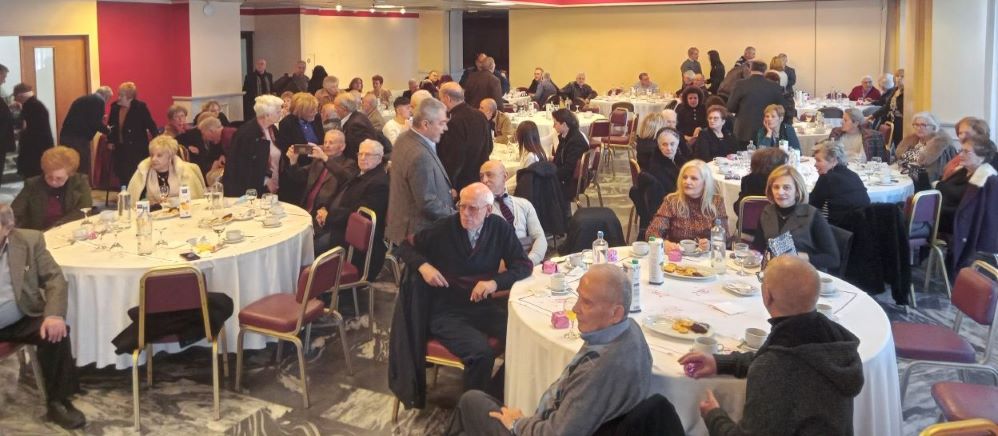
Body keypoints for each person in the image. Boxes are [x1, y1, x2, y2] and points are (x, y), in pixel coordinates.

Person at [448, 264, 652, 436]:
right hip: (564, 421)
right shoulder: (632, 332)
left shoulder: (596, 371)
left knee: (470, 402)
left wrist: (518, 424)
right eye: (579, 297)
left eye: (587, 303)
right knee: (478, 404)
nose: (575, 309)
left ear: (616, 313)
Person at [679, 255, 863, 436]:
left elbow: (778, 365)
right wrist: (721, 363)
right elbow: (787, 357)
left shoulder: (773, 367)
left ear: (767, 296)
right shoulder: (835, 340)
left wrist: (713, 415)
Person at [394, 182, 532, 393]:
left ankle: (495, 394)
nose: (465, 214)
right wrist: (424, 266)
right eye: (462, 206)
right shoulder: (445, 227)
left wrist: (494, 283)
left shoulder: (499, 228)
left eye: (473, 208)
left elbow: (523, 265)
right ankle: (471, 409)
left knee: (524, 339)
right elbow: (405, 246)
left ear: (488, 210)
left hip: (482, 306)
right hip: (446, 310)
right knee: (481, 353)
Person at [0, 203, 86, 430]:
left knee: (56, 332)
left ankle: (58, 401)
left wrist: (54, 315)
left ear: (8, 227)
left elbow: (55, 278)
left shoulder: (29, 241)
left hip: (21, 316)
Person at [386, 97, 455, 243]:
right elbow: (427, 202)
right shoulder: (420, 155)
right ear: (425, 124)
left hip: (402, 225)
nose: (446, 128)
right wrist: (457, 215)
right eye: (442, 123)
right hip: (419, 232)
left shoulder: (403, 139)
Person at [320, 139, 389, 280]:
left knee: (307, 248)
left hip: (351, 241)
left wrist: (329, 216)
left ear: (379, 158)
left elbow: (358, 215)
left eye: (368, 154)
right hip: (337, 225)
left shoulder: (379, 183)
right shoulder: (360, 173)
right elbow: (339, 193)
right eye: (360, 154)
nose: (362, 158)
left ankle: (309, 287)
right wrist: (324, 209)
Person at [752, 165, 840, 272]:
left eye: (786, 187)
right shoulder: (767, 212)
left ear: (797, 191)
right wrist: (753, 254)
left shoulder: (812, 215)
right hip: (775, 271)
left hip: (806, 273)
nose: (780, 192)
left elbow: (833, 259)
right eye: (776, 187)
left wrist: (800, 257)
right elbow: (758, 247)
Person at [286, 130, 357, 248]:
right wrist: (293, 162)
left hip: (321, 217)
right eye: (325, 142)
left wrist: (325, 158)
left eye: (331, 142)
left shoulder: (349, 164)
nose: (327, 145)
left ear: (342, 147)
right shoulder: (318, 161)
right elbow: (299, 177)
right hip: (304, 211)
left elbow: (344, 177)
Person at [647, 159, 726, 252]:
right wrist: (663, 244)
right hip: (676, 254)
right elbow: (651, 233)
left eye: (694, 178)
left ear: (705, 183)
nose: (687, 182)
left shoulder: (716, 202)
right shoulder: (672, 201)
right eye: (684, 177)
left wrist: (710, 244)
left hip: (705, 255)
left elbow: (724, 238)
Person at [479, 160, 547, 265]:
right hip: (499, 267)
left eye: (489, 175)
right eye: (481, 176)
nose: (484, 180)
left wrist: (529, 262)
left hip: (529, 261)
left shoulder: (524, 204)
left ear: (504, 176)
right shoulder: (478, 210)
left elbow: (539, 237)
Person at [947, 135, 998, 272]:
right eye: (961, 150)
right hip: (947, 218)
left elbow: (981, 220)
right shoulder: (965, 171)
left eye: (966, 152)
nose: (960, 155)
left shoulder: (987, 180)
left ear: (982, 157)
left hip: (958, 227)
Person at [12, 146, 92, 230]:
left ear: (70, 174)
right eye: (49, 177)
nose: (53, 182)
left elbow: (84, 210)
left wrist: (56, 227)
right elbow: (15, 212)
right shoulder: (33, 184)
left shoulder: (79, 182)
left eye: (59, 178)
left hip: (70, 229)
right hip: (40, 233)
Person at [437, 82, 493, 191]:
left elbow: (454, 158)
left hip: (463, 183)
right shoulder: (480, 115)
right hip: (482, 178)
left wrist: (450, 185)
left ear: (447, 98)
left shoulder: (453, 122)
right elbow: (489, 147)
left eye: (440, 99)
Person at [223, 95, 282, 197]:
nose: (281, 114)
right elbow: (242, 167)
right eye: (278, 112)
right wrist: (265, 180)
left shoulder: (272, 129)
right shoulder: (246, 134)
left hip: (273, 186)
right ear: (266, 115)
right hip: (252, 191)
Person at [127, 135, 206, 204]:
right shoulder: (144, 173)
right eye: (152, 155)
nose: (154, 159)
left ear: (170, 157)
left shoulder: (185, 171)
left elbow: (194, 198)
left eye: (159, 155)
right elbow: (135, 200)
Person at [276, 92, 324, 203]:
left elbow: (322, 139)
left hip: (317, 165)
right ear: (301, 111)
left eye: (316, 109)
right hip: (297, 167)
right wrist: (313, 149)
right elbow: (289, 149)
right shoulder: (287, 123)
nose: (316, 112)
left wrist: (318, 148)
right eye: (312, 110)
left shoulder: (316, 118)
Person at [108, 82, 159, 186]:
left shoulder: (140, 107)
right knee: (122, 174)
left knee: (135, 174)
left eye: (121, 95)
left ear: (130, 97)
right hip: (120, 147)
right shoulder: (115, 107)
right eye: (118, 95)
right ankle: (125, 193)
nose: (118, 98)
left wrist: (157, 141)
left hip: (136, 148)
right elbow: (111, 126)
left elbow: (151, 125)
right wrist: (110, 141)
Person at [810, 140, 870, 226]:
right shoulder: (854, 175)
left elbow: (812, 206)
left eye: (818, 161)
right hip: (862, 228)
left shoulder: (827, 178)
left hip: (838, 230)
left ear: (833, 160)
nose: (815, 165)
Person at [727, 61, 786, 144]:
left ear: (750, 69)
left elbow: (730, 107)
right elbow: (781, 108)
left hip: (744, 129)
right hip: (767, 129)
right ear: (765, 71)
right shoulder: (774, 86)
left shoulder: (740, 84)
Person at [59, 86, 112, 176]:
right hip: (79, 140)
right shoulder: (99, 101)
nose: (107, 102)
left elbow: (86, 118)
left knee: (68, 166)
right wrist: (107, 130)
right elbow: (95, 123)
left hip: (66, 137)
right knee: (81, 167)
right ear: (106, 96)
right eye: (108, 99)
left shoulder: (82, 99)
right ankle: (80, 185)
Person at [895, 111, 957, 188]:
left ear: (934, 127)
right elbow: (900, 160)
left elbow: (934, 174)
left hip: (921, 184)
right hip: (902, 177)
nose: (919, 128)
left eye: (923, 125)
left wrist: (907, 174)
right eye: (916, 125)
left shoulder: (939, 146)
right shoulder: (913, 140)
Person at [12, 84, 55, 179]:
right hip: (41, 147)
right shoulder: (36, 105)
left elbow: (26, 127)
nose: (15, 100)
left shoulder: (30, 107)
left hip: (34, 150)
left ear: (20, 96)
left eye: (15, 97)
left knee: (33, 177)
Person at [734, 147, 787, 215]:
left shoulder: (748, 180)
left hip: (751, 220)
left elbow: (739, 208)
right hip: (777, 220)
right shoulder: (783, 182)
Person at [551, 109, 589, 202]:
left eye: (555, 123)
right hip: (566, 177)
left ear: (564, 124)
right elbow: (558, 159)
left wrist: (549, 175)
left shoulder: (575, 141)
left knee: (538, 185)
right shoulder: (566, 136)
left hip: (571, 183)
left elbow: (568, 169)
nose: (553, 126)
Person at [334, 92, 379, 161]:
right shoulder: (356, 117)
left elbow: (355, 152)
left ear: (344, 108)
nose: (334, 110)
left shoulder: (355, 125)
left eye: (336, 107)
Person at [645, 127, 689, 195]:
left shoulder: (678, 158)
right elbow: (672, 191)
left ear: (677, 144)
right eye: (664, 144)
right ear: (659, 146)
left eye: (672, 144)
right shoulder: (656, 167)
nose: (669, 148)